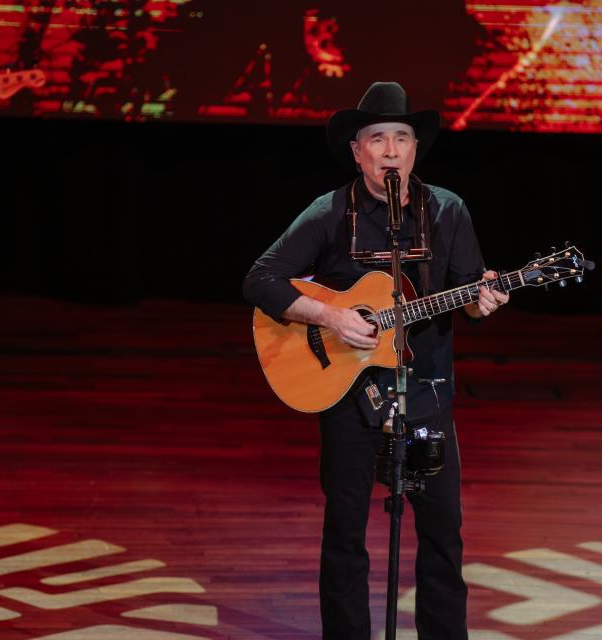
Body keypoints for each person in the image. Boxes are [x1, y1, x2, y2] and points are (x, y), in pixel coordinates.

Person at [243, 81, 508, 639]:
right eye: (378, 138)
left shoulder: (447, 211)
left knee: (442, 532)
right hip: (349, 393)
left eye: (402, 138)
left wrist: (484, 302)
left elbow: (470, 294)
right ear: (356, 150)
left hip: (426, 389)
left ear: (416, 149)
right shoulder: (330, 211)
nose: (391, 150)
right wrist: (332, 318)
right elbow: (260, 280)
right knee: (345, 532)